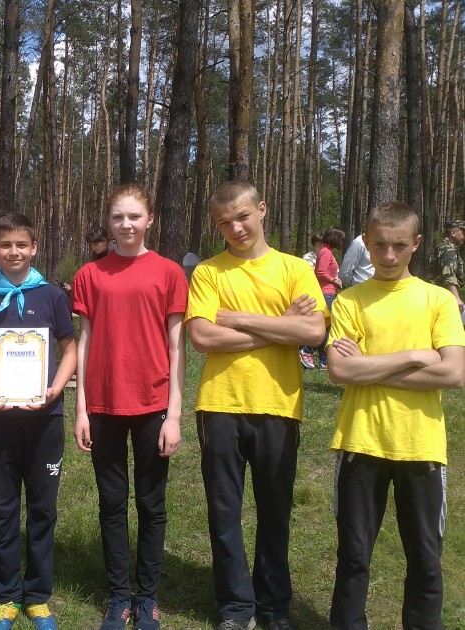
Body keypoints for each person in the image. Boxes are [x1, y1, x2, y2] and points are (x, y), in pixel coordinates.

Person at [186, 180, 326, 630]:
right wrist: (280, 325)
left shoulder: (294, 269)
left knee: (275, 510)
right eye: (225, 223)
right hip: (219, 404)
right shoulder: (208, 272)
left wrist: (239, 319)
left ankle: (273, 606)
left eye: (243, 216)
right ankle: (235, 608)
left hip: (279, 404)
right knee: (224, 511)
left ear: (262, 209)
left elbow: (313, 332)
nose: (236, 229)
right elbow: (202, 337)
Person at [325, 202, 465, 629]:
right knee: (353, 556)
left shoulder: (438, 300)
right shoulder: (349, 300)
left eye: (399, 246)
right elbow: (339, 370)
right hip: (360, 442)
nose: (389, 255)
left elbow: (454, 373)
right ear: (366, 243)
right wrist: (414, 356)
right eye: (380, 245)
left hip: (421, 446)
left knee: (425, 558)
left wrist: (368, 366)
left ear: (416, 244)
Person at [72, 184, 187, 630]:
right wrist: (81, 408)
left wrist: (174, 415)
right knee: (112, 503)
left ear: (149, 219)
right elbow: (84, 343)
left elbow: (177, 347)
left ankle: (148, 597)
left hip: (153, 402)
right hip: (103, 404)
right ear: (109, 221)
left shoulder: (169, 273)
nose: (126, 224)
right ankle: (120, 597)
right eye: (118, 217)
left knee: (151, 504)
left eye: (134, 216)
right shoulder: (90, 275)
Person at [0, 212, 77, 630]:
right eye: (5, 245)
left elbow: (70, 348)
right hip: (0, 420)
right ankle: (8, 595)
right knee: (2, 508)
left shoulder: (51, 296)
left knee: (43, 509)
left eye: (21, 245)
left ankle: (38, 596)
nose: (14, 252)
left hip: (45, 418)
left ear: (34, 248)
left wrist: (56, 388)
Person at [314, 227, 345, 369]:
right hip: (325, 292)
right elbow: (320, 272)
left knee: (328, 326)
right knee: (328, 323)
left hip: (329, 292)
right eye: (340, 239)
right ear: (335, 239)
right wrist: (333, 280)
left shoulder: (327, 251)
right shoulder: (326, 252)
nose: (341, 242)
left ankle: (323, 360)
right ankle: (306, 349)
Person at [427, 219, 465, 313]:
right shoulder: (449, 249)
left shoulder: (442, 247)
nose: (464, 237)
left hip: (435, 295)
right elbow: (448, 275)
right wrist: (456, 299)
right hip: (441, 297)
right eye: (463, 233)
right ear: (453, 233)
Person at [299, 232, 323, 369]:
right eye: (319, 244)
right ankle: (305, 350)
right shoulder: (309, 258)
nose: (321, 247)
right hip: (309, 295)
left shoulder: (325, 256)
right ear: (314, 245)